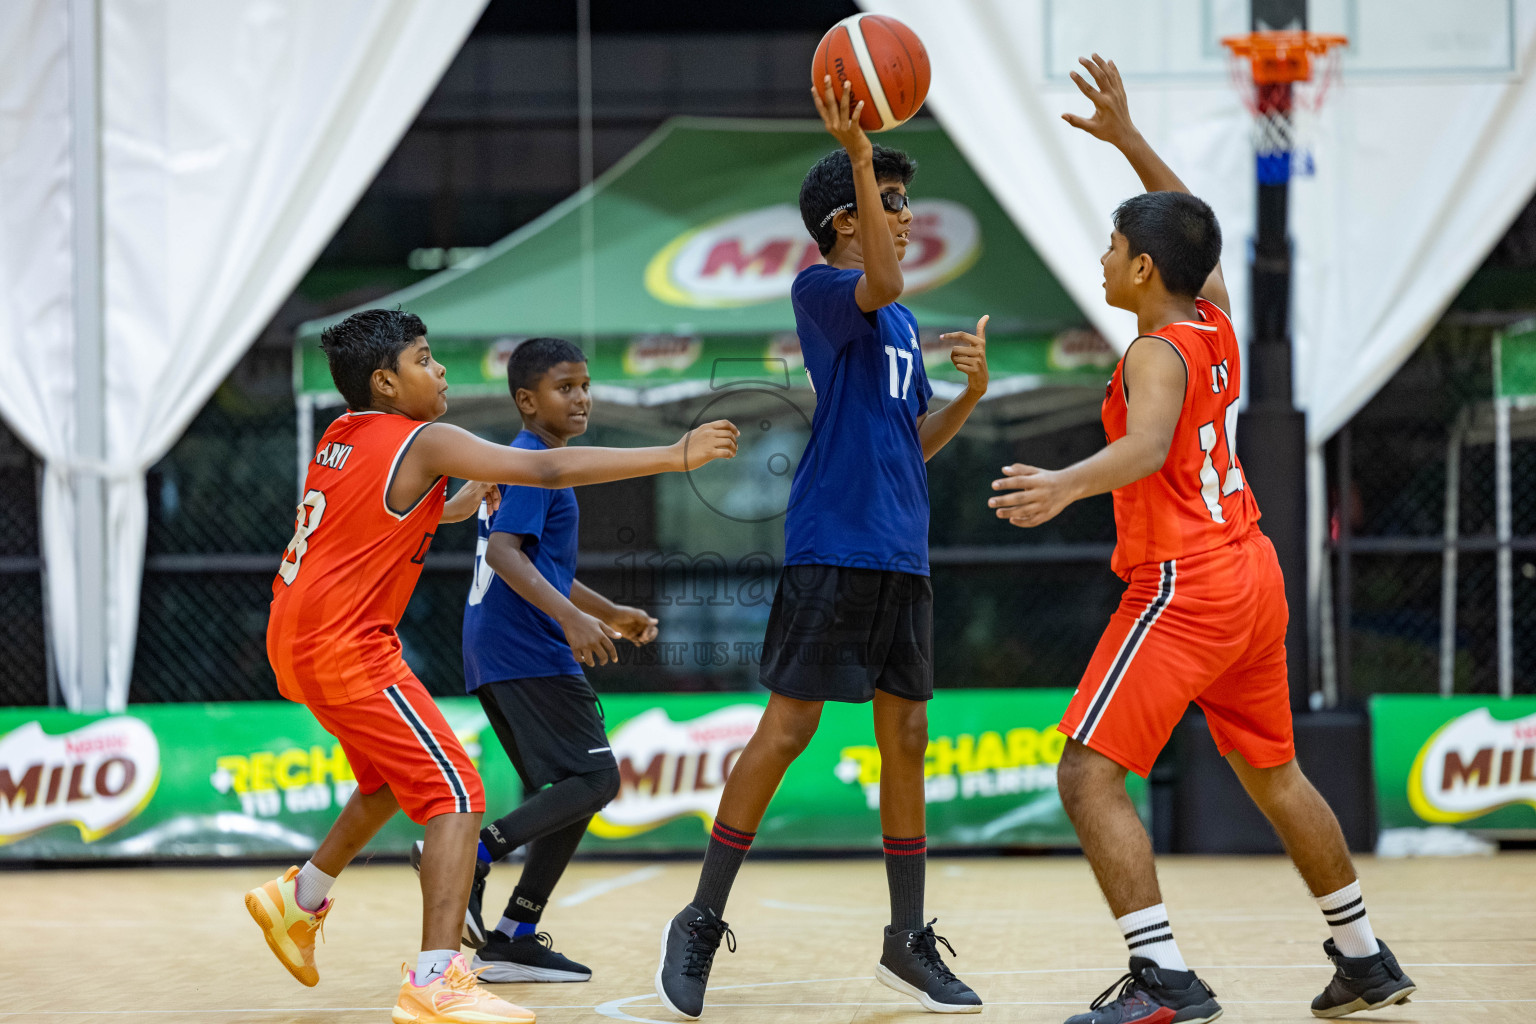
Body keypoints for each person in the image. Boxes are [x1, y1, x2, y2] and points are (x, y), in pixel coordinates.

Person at [987, 55, 1417, 1024]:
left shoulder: (1152, 348)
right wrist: (1130, 138)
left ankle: (1162, 980)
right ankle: (1363, 955)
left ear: (1142, 269)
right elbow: (1187, 225)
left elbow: (1142, 447)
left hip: (1185, 583)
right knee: (1274, 770)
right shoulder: (1213, 321)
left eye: (1110, 246)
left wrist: (1061, 484)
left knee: (1087, 772)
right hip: (1251, 569)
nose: (1101, 259)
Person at [244, 309, 737, 1024]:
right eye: (425, 359)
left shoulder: (343, 436)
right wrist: (673, 454)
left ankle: (300, 898)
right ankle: (436, 979)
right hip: (345, 643)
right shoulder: (428, 438)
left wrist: (459, 503)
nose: (440, 369)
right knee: (456, 795)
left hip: (292, 635)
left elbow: (380, 512)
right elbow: (547, 466)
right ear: (387, 382)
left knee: (387, 783)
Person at [653, 76, 991, 1020]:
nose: (910, 215)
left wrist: (966, 397)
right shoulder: (825, 288)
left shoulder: (906, 324)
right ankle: (698, 919)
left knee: (908, 740)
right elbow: (880, 275)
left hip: (900, 553)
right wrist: (854, 150)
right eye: (892, 203)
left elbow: (906, 438)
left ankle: (906, 942)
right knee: (791, 729)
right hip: (832, 545)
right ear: (846, 220)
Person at [414, 337, 655, 983]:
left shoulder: (534, 463)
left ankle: (515, 936)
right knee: (597, 782)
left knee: (575, 789)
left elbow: (538, 563)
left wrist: (606, 614)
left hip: (503, 647)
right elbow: (505, 556)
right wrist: (574, 621)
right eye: (564, 388)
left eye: (584, 385)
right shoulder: (528, 462)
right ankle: (474, 859)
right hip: (522, 647)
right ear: (527, 400)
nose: (580, 398)